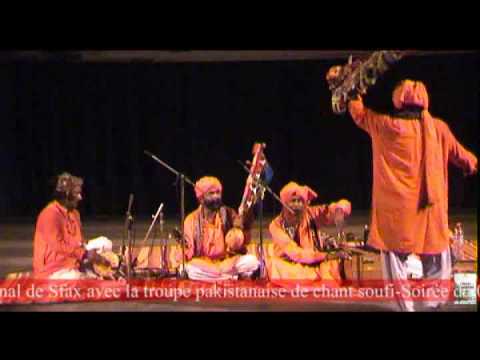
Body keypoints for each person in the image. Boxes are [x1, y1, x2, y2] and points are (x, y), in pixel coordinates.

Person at [347, 79, 478, 311]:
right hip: (430, 212)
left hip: (397, 216)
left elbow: (360, 114)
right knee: (437, 260)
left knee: (395, 263)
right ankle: (432, 307)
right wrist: (472, 165)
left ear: (398, 101)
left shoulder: (385, 126)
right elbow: (463, 157)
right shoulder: (438, 128)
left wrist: (352, 92)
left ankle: (404, 309)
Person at [33, 172, 112, 280]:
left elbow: (78, 241)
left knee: (105, 243)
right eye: (76, 194)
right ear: (65, 195)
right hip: (53, 268)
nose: (80, 197)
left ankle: (88, 271)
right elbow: (58, 246)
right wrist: (85, 254)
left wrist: (88, 250)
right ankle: (85, 274)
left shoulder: (75, 213)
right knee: (78, 279)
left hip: (73, 259)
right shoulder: (49, 215)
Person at [268, 181, 352, 281]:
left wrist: (340, 209)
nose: (297, 205)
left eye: (300, 201)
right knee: (277, 267)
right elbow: (297, 254)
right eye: (293, 201)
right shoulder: (275, 225)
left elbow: (330, 212)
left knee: (333, 265)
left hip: (315, 263)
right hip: (290, 266)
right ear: (285, 203)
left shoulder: (310, 213)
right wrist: (326, 256)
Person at [180, 176, 259, 281]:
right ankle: (230, 277)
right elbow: (188, 255)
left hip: (227, 263)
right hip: (204, 266)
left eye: (218, 192)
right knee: (188, 268)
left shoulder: (228, 213)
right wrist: (214, 268)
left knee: (252, 261)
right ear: (201, 198)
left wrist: (248, 208)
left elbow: (242, 228)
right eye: (211, 193)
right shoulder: (191, 220)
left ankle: (220, 277)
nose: (216, 196)